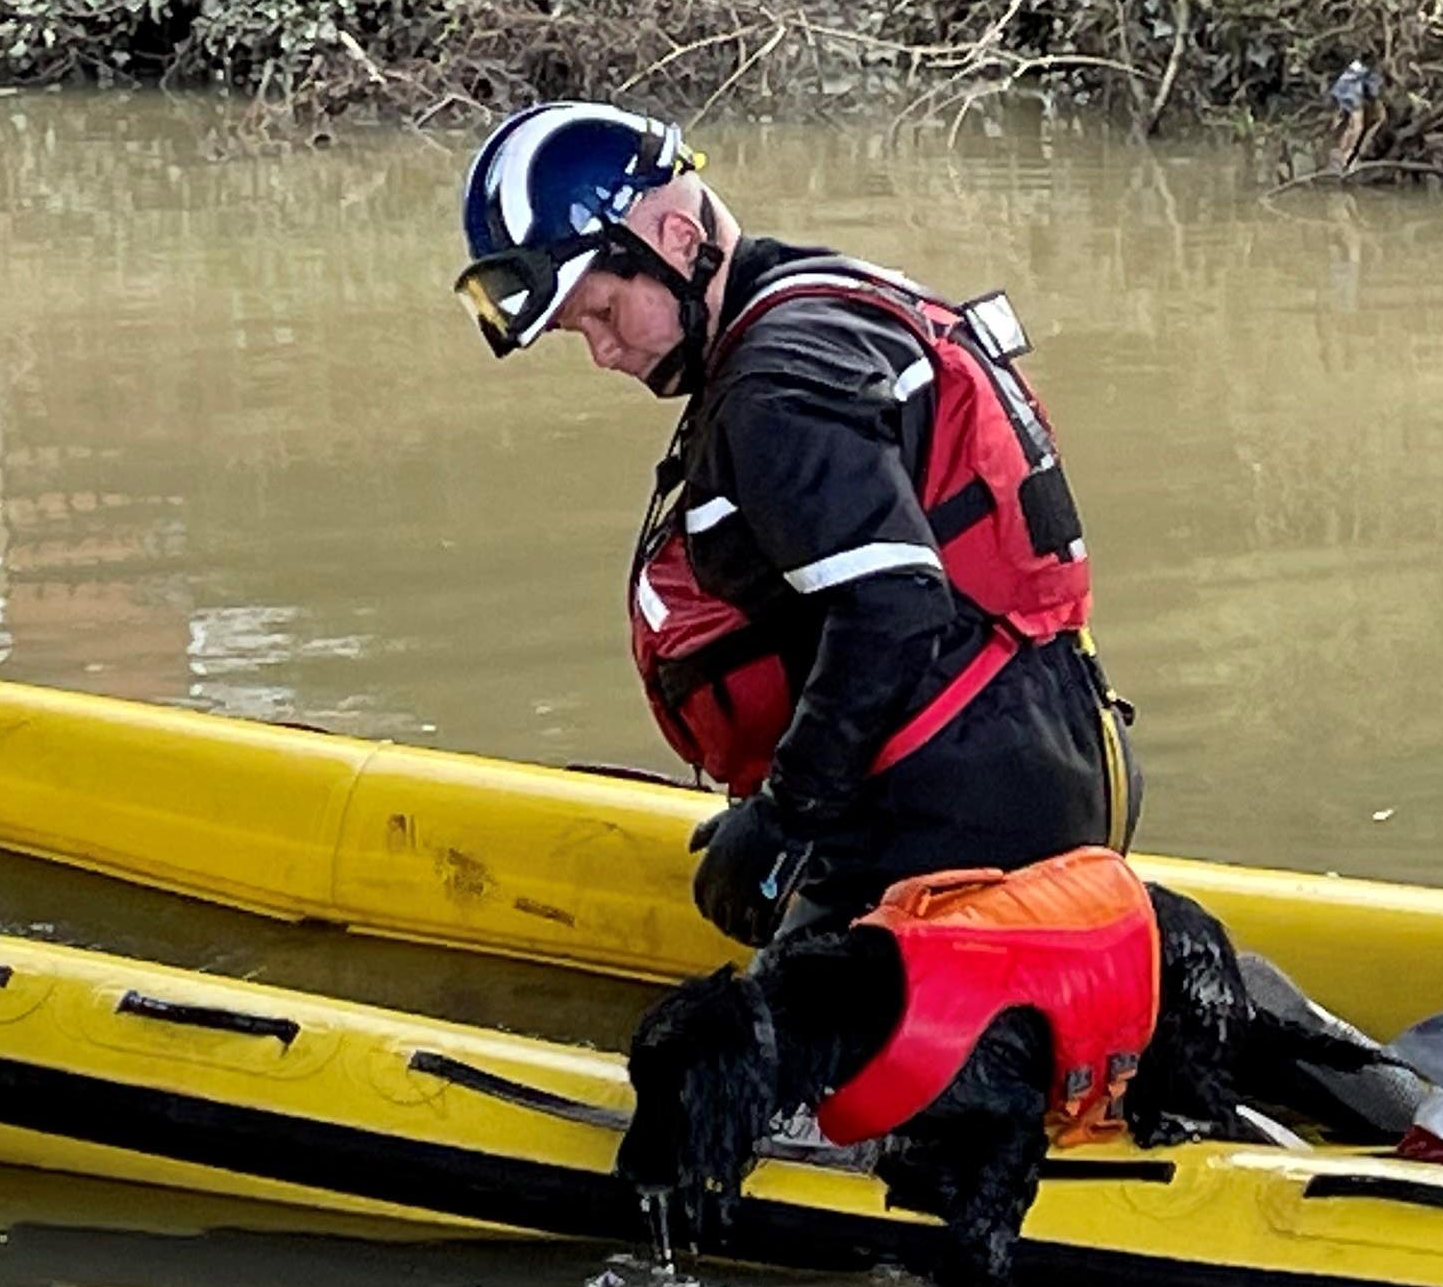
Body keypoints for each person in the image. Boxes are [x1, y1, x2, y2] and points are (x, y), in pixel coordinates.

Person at [454, 103, 1135, 945]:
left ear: (673, 238)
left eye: (601, 311)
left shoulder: (775, 388)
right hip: (1054, 747)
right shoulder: (827, 299)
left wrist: (785, 818)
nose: (601, 351)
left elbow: (894, 607)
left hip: (955, 823)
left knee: (766, 1069)